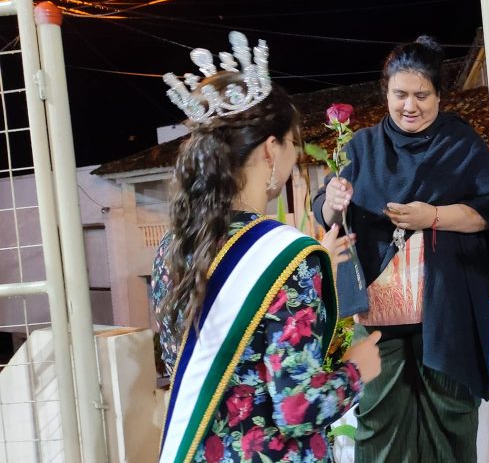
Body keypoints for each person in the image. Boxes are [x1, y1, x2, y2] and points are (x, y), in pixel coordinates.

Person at [152, 32, 381, 463]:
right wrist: (358, 370)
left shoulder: (172, 247)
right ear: (271, 150)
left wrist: (315, 273)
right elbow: (297, 408)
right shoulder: (285, 255)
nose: (296, 155)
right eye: (293, 142)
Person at [312, 35, 489, 462]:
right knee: (378, 423)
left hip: (448, 309)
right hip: (379, 313)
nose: (410, 105)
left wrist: (433, 218)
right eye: (399, 94)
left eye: (422, 95)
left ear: (439, 95)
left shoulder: (460, 143)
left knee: (450, 418)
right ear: (385, 92)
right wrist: (331, 201)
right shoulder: (362, 146)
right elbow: (325, 209)